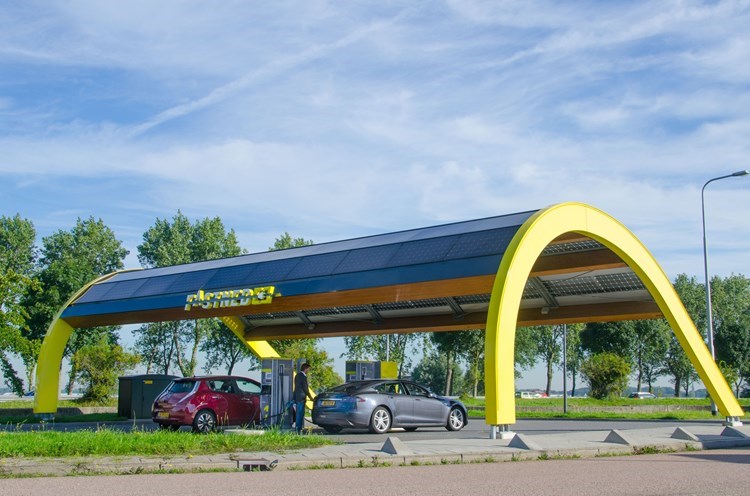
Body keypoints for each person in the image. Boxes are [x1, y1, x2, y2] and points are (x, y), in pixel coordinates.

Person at [293, 363, 314, 433]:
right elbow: (305, 388)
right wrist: (310, 397)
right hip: (301, 397)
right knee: (300, 413)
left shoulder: (297, 375)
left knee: (298, 413)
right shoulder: (303, 377)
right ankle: (299, 429)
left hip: (297, 396)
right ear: (305, 369)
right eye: (308, 369)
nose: (308, 371)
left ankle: (298, 428)